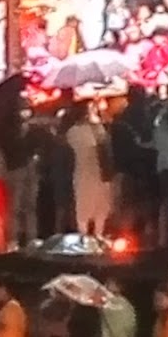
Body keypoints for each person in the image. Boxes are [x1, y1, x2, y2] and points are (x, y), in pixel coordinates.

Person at [66, 102, 113, 237]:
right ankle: (83, 237)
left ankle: (98, 236)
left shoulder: (98, 129)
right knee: (84, 207)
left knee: (101, 207)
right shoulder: (74, 131)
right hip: (84, 173)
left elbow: (105, 145)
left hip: (99, 173)